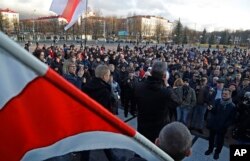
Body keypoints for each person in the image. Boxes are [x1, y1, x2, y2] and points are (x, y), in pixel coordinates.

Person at [135, 61, 181, 142]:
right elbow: (177, 102)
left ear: (151, 72)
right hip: (158, 132)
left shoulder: (139, 86)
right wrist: (167, 85)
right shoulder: (166, 92)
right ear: (164, 76)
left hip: (142, 127)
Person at [205, 88, 236, 160]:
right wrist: (211, 109)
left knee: (220, 141)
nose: (224, 95)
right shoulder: (217, 101)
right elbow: (214, 111)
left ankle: (217, 153)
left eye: (226, 94)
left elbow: (232, 118)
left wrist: (225, 125)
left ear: (230, 95)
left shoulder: (232, 106)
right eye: (223, 93)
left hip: (222, 127)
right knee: (211, 138)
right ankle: (210, 149)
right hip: (213, 124)